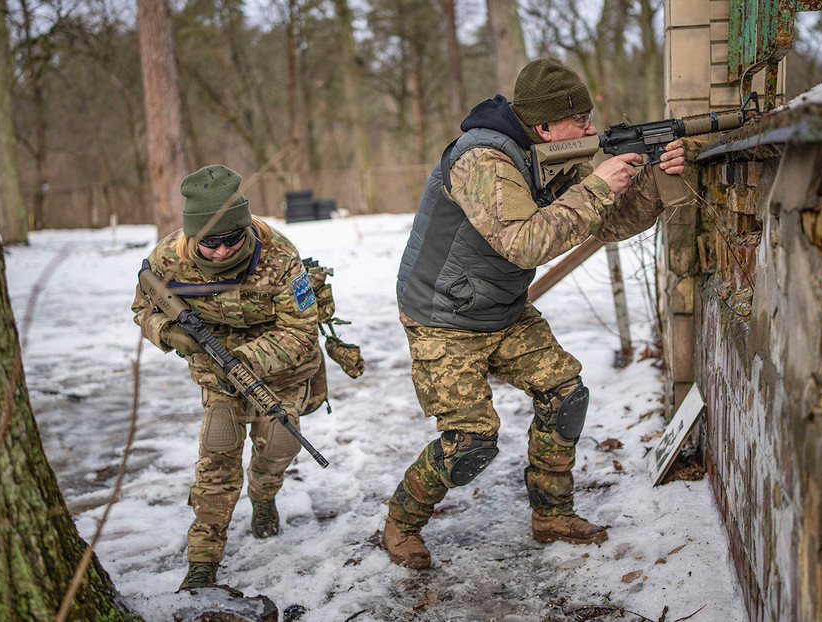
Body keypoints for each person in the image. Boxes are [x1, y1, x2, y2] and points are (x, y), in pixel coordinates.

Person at [382, 58, 687, 568]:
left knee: (565, 394)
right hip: (444, 319)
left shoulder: (549, 155)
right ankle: (401, 522)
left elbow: (603, 224)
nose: (591, 129)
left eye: (591, 119)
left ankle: (552, 515)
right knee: (470, 443)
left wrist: (653, 180)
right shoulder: (482, 160)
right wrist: (598, 185)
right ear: (545, 126)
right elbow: (525, 244)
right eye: (581, 121)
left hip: (502, 308)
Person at [132, 164, 325, 590]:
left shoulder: (280, 256)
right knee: (217, 458)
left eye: (231, 240)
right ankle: (202, 562)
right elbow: (142, 308)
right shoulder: (168, 257)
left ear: (247, 229)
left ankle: (263, 496)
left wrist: (244, 360)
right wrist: (169, 334)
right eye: (209, 243)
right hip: (216, 374)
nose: (221, 252)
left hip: (281, 371)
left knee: (278, 445)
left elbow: (300, 331)